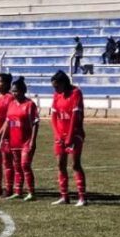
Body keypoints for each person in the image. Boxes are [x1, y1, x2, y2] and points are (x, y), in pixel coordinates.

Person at [50, 70, 87, 206]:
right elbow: (54, 117)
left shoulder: (76, 93)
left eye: (57, 86)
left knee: (75, 164)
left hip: (74, 134)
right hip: (60, 136)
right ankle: (64, 196)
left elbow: (75, 117)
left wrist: (70, 136)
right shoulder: (57, 96)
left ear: (64, 83)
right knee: (60, 164)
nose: (55, 89)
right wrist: (57, 134)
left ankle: (82, 197)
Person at [0, 76, 39, 201]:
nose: (14, 93)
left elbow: (35, 123)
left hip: (26, 141)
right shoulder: (11, 104)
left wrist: (33, 140)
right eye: (13, 91)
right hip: (14, 141)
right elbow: (8, 122)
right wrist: (3, 138)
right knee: (17, 167)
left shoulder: (30, 104)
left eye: (16, 91)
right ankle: (18, 191)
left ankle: (31, 192)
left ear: (23, 91)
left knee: (25, 165)